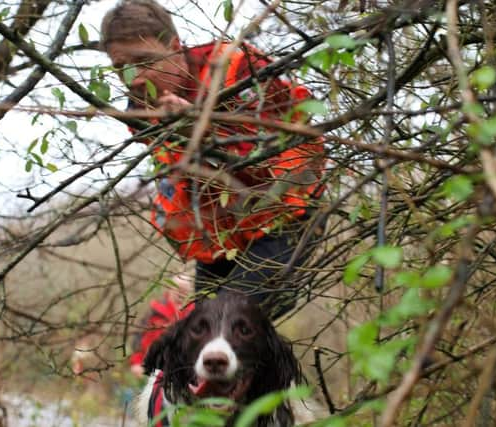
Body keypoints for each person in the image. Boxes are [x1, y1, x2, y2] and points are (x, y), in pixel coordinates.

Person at [100, 0, 326, 321]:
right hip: (224, 234)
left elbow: (277, 160)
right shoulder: (139, 108)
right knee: (198, 332)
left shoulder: (236, 67)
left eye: (144, 61)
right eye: (121, 68)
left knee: (230, 321)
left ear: (175, 47)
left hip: (286, 213)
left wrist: (202, 131)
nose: (135, 79)